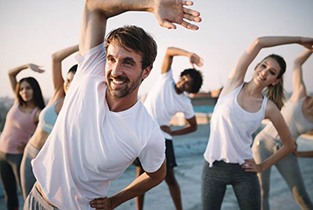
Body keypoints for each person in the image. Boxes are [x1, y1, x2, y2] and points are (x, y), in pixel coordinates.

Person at [23, 0, 202, 209]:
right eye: (111, 59)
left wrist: (115, 201)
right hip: (35, 198)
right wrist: (151, 4)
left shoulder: (147, 133)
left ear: (146, 71)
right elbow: (93, 7)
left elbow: (157, 174)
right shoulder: (90, 71)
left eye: (127, 62)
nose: (115, 71)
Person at [201, 36, 313, 210]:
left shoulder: (269, 108)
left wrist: (262, 166)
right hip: (213, 167)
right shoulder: (233, 83)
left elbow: (289, 145)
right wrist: (298, 40)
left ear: (274, 81)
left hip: (244, 170)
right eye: (264, 66)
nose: (264, 72)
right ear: (256, 66)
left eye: (272, 72)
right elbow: (258, 42)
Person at [134, 46, 203, 210]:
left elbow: (193, 126)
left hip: (163, 138)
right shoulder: (166, 78)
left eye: (188, 84)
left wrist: (173, 131)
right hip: (142, 132)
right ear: (181, 76)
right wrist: (189, 53)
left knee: (169, 178)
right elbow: (169, 51)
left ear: (191, 89)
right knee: (140, 176)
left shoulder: (185, 103)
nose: (184, 82)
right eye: (184, 78)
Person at [252, 49, 313, 210]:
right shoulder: (300, 94)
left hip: (286, 151)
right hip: (262, 144)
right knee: (262, 193)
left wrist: (298, 153)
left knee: (301, 195)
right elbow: (297, 63)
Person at [20, 44, 79, 200]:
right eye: (67, 80)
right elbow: (55, 58)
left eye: (72, 81)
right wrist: (84, 45)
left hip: (51, 163)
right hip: (30, 153)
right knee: (28, 200)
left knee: (47, 203)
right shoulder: (59, 93)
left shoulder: (80, 111)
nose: (67, 84)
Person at [0, 64, 45, 210]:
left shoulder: (38, 113)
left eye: (28, 88)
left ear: (35, 90)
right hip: (2, 154)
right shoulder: (16, 102)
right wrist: (27, 66)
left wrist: (27, 144)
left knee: (27, 193)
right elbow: (11, 74)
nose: (24, 91)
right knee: (9, 193)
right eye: (22, 88)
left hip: (18, 157)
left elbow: (42, 136)